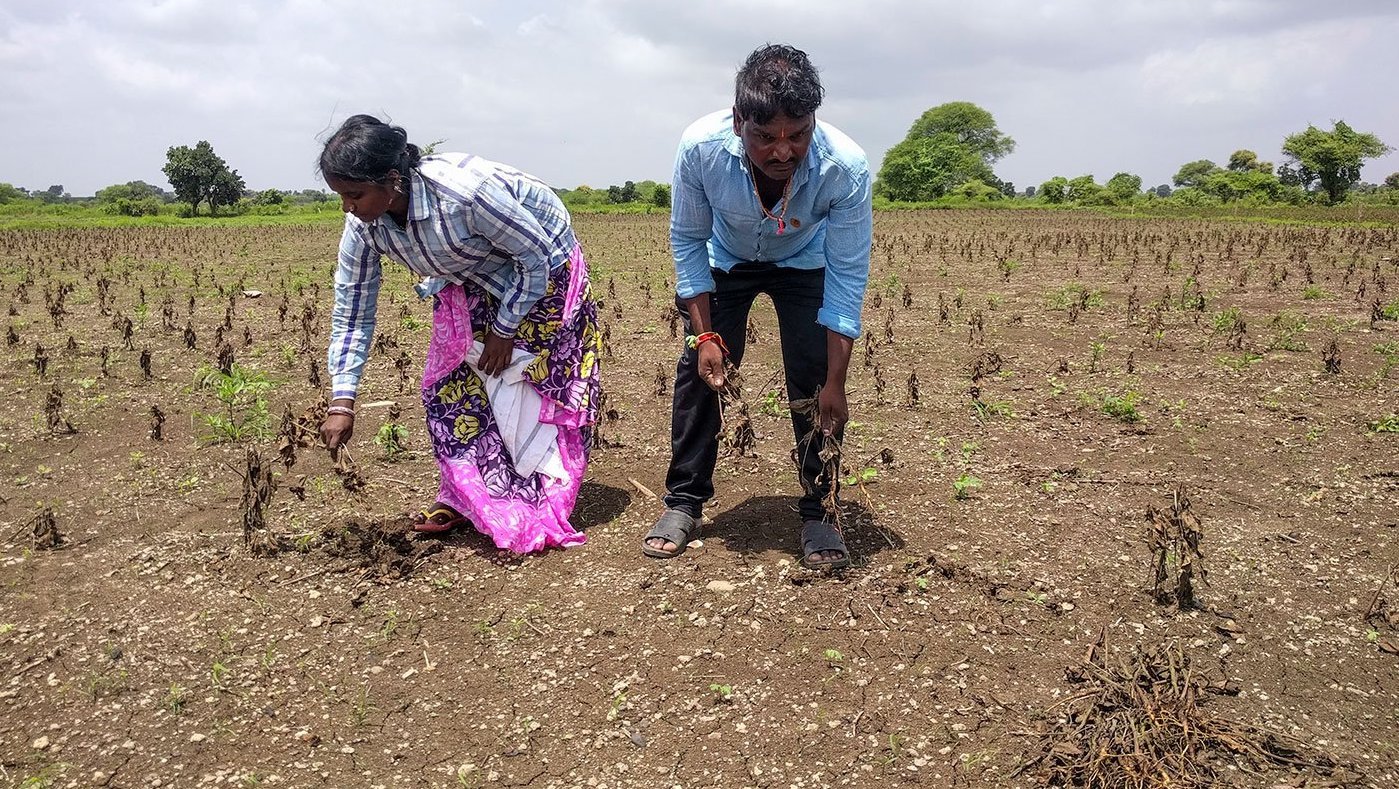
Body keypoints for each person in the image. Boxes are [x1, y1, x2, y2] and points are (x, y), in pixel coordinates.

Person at [317, 114, 602, 554]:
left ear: (392, 180)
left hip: (544, 266)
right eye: (342, 196)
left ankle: (542, 493)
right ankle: (469, 497)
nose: (347, 208)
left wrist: (504, 330)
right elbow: (353, 309)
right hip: (466, 273)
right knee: (448, 386)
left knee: (532, 383)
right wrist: (343, 401)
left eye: (355, 195)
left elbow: (535, 259)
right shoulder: (364, 227)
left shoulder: (465, 195)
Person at [641, 44, 872, 569]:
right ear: (738, 118)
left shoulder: (845, 166)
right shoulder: (701, 148)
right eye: (765, 137)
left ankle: (821, 510)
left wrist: (836, 380)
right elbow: (688, 242)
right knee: (700, 372)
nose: (783, 151)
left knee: (815, 381)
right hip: (727, 260)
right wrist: (704, 337)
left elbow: (847, 275)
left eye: (798, 135)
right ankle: (684, 501)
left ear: (815, 119)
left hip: (805, 262)